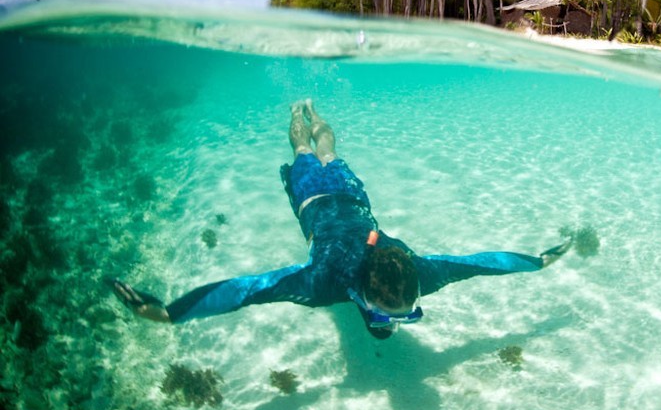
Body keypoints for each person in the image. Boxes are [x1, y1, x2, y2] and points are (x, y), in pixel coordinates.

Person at [113, 100, 571, 339]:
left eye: (407, 316)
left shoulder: (420, 275)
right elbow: (247, 291)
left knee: (327, 146)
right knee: (304, 149)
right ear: (361, 291)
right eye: (387, 314)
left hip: (351, 196)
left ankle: (313, 111)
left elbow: (479, 264)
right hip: (315, 197)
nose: (395, 320)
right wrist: (170, 313)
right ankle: (298, 115)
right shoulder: (324, 280)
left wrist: (537, 261)